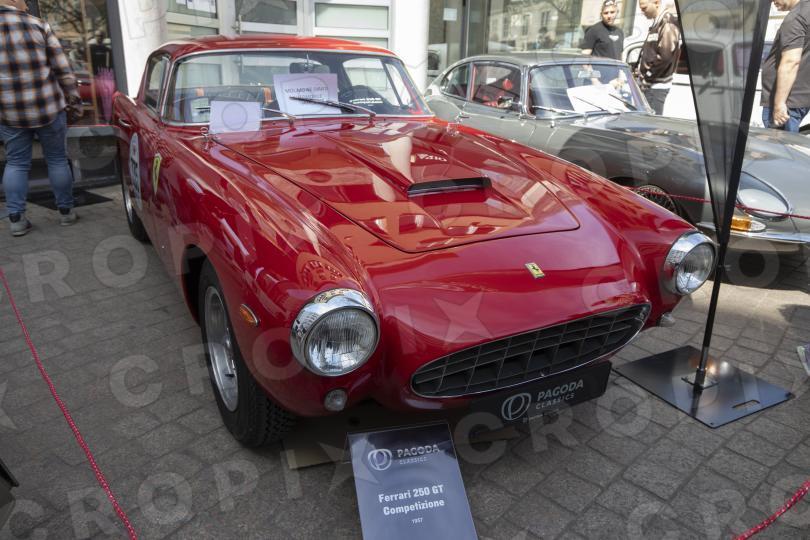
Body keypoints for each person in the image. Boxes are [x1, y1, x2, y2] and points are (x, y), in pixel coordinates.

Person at [0, 0, 82, 236]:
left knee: (16, 163)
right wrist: (74, 100)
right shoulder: (38, 25)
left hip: (9, 113)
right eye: (24, 0)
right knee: (57, 159)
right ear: (13, 0)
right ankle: (66, 212)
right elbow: (63, 69)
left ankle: (16, 220)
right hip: (49, 108)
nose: (27, 4)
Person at [761, 0, 810, 132]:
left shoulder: (796, 18)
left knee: (779, 143)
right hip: (799, 97)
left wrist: (779, 103)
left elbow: (790, 61)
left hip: (787, 101)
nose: (771, 1)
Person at [635, 0, 681, 115]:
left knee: (650, 124)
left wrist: (647, 77)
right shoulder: (658, 22)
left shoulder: (667, 23)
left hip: (655, 87)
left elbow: (665, 57)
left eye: (644, 8)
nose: (642, 12)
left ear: (656, 3)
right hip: (650, 86)